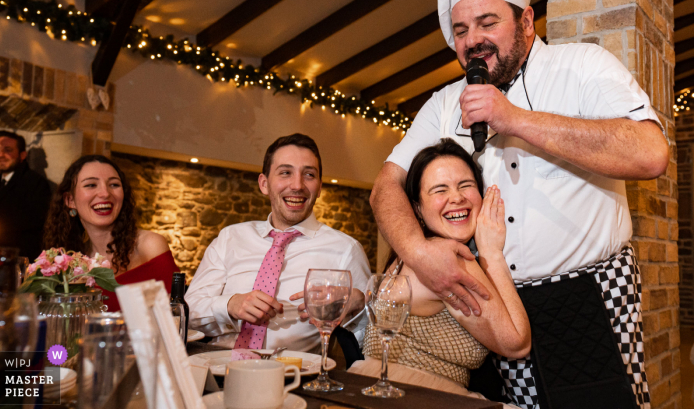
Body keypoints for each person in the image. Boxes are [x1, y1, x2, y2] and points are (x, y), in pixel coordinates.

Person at [369, 0, 668, 409]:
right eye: (462, 30)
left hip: (588, 298)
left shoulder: (583, 65)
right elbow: (385, 187)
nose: (473, 41)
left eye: (487, 23)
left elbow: (649, 153)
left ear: (526, 21)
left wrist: (515, 119)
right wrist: (419, 254)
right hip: (489, 307)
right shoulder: (444, 104)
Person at [349, 139, 528, 408]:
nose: (456, 197)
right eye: (439, 190)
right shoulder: (445, 259)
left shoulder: (406, 255)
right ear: (417, 209)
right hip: (417, 397)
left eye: (466, 185)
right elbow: (517, 344)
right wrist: (492, 252)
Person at [186, 134, 371, 352]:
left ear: (319, 187)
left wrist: (359, 304)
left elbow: (371, 339)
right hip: (219, 369)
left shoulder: (346, 250)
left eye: (309, 175)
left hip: (295, 377)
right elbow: (186, 314)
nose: (297, 185)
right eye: (285, 173)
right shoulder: (230, 238)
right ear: (264, 184)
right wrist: (229, 305)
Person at [43, 154, 179, 312]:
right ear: (70, 200)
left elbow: (177, 313)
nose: (105, 193)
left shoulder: (149, 244)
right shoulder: (70, 262)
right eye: (91, 185)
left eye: (114, 184)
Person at [0, 131, 52, 262]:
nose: (0, 155)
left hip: (19, 260)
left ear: (22, 155)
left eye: (7, 150)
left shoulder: (36, 183)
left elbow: (35, 222)